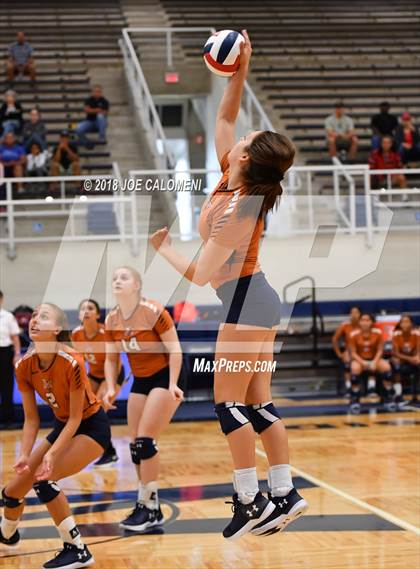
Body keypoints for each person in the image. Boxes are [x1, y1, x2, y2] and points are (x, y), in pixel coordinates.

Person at [149, 30, 308, 540]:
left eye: (245, 139)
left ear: (246, 157)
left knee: (228, 403)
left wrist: (163, 248)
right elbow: (223, 116)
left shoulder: (241, 209)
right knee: (258, 401)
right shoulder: (230, 177)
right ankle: (285, 492)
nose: (238, 136)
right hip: (253, 299)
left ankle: (249, 499)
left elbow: (199, 273)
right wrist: (240, 69)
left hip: (244, 300)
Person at [0, 303, 109, 568]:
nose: (35, 320)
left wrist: (51, 454)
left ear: (57, 329)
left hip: (91, 426)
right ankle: (7, 535)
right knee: (13, 493)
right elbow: (31, 418)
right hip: (63, 427)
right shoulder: (24, 365)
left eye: (44, 316)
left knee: (45, 481)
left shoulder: (72, 360)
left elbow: (75, 419)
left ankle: (78, 549)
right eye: (34, 316)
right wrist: (25, 453)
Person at [102, 266, 183, 532]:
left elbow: (175, 349)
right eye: (114, 277)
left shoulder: (153, 311)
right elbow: (111, 359)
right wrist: (112, 386)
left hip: (164, 376)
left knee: (146, 441)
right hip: (141, 380)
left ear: (136, 285)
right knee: (136, 446)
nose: (117, 280)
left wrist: (172, 383)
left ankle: (149, 507)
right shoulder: (112, 320)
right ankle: (149, 506)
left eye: (123, 277)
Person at [71, 298, 125, 467]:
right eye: (83, 309)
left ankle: (110, 453)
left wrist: (110, 387)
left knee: (99, 410)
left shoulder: (105, 333)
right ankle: (93, 450)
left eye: (90, 308)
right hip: (93, 374)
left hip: (113, 375)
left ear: (98, 314)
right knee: (82, 410)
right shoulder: (76, 334)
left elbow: (116, 363)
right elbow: (79, 361)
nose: (86, 311)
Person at [349, 313, 393, 412]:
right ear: (359, 322)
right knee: (355, 370)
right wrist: (363, 362)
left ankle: (387, 396)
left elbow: (380, 350)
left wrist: (374, 362)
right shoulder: (353, 334)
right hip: (360, 360)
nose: (365, 322)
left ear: (372, 322)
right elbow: (353, 353)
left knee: (386, 368)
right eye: (362, 320)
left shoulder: (378, 333)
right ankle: (355, 399)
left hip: (374, 359)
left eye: (367, 320)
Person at [0, 290, 21, 426]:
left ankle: (8, 418)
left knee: (7, 384)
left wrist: (17, 354)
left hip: (5, 352)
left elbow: (15, 337)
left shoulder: (8, 316)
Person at [332, 306, 361, 395]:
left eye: (356, 312)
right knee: (347, 362)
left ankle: (371, 388)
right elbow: (334, 339)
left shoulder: (364, 324)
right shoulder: (345, 325)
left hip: (362, 351)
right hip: (350, 351)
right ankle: (348, 388)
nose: (354, 315)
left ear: (360, 314)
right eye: (352, 313)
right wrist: (339, 353)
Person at [392, 315, 419, 406]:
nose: (404, 324)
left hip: (413, 358)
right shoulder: (396, 334)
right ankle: (398, 395)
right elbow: (396, 353)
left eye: (407, 321)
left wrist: (416, 357)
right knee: (396, 363)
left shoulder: (416, 333)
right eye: (402, 322)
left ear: (411, 323)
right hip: (401, 358)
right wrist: (410, 358)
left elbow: (418, 350)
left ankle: (415, 395)